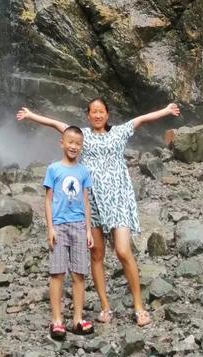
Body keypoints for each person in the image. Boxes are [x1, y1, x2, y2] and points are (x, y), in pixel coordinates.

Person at [18, 97, 181, 327]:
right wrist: (31, 115)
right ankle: (105, 306)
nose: (97, 115)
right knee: (96, 254)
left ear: (107, 114)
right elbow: (58, 125)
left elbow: (142, 119)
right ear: (87, 115)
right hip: (92, 202)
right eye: (93, 112)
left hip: (118, 200)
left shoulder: (119, 133)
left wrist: (165, 110)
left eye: (101, 111)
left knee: (123, 251)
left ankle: (138, 305)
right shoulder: (81, 136)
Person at [43, 125, 95, 341]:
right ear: (62, 143)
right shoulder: (53, 169)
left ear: (81, 147)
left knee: (79, 274)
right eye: (70, 142)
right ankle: (56, 320)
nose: (73, 146)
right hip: (60, 226)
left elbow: (85, 200)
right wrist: (50, 227)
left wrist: (89, 229)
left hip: (79, 226)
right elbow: (47, 200)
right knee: (57, 274)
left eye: (78, 143)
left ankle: (77, 319)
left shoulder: (83, 171)